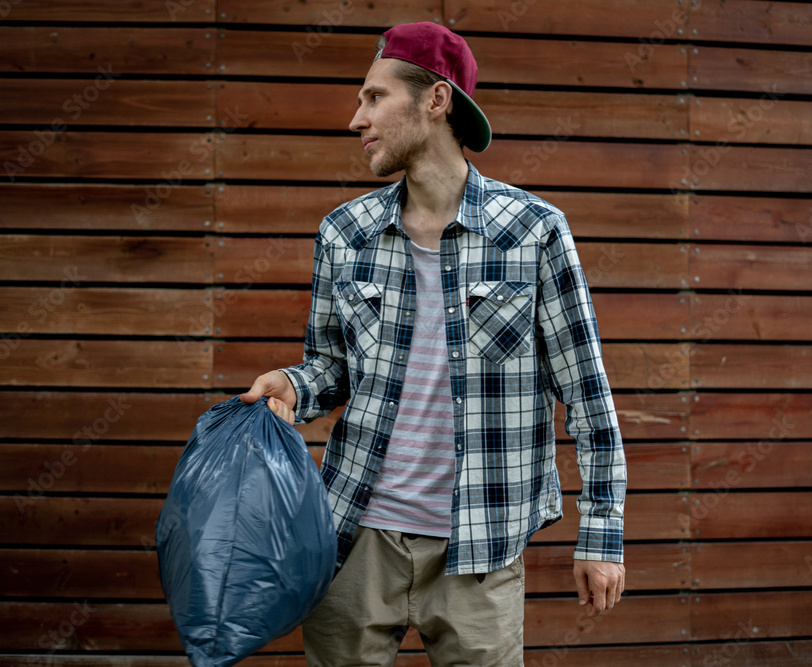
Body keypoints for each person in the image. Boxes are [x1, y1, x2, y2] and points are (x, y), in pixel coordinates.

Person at [241, 21, 626, 666]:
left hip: (481, 545)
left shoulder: (532, 233)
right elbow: (332, 367)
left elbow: (586, 393)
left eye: (373, 98)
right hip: (353, 537)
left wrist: (602, 534)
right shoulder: (344, 233)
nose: (355, 118)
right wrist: (293, 385)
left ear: (435, 100)